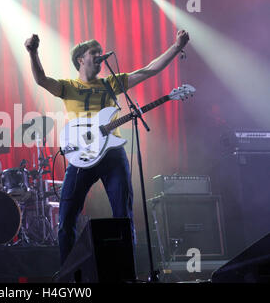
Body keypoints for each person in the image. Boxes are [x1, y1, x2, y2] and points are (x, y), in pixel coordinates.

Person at [25, 30, 190, 266]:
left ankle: (126, 272)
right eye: (95, 52)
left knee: (124, 216)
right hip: (82, 156)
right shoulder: (67, 86)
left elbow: (149, 70)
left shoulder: (111, 82)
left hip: (112, 154)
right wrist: (33, 52)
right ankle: (68, 275)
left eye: (101, 52)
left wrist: (176, 46)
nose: (100, 56)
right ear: (81, 59)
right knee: (67, 218)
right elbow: (41, 79)